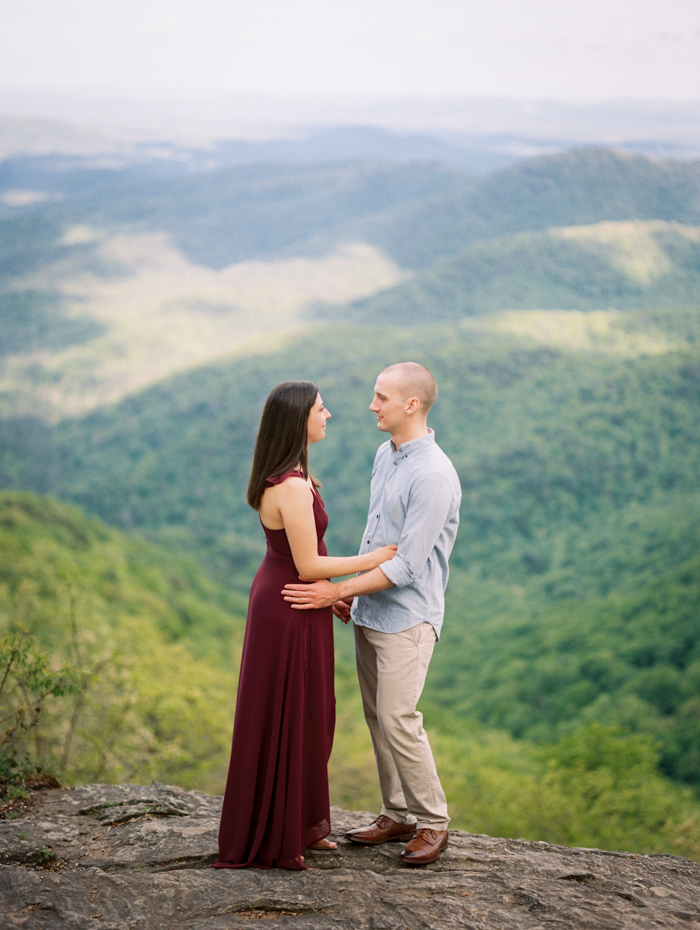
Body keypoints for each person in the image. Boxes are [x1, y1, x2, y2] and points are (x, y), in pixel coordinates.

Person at [212, 380, 396, 872]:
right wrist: (373, 561)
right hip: (291, 602)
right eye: (320, 408)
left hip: (300, 601)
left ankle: (299, 824)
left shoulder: (292, 476)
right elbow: (310, 565)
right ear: (298, 419)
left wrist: (333, 598)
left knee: (310, 713)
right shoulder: (291, 486)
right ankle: (279, 833)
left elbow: (303, 565)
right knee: (291, 713)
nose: (329, 414)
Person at [283, 362, 461, 866]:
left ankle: (433, 822)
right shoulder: (386, 454)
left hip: (409, 617)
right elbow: (376, 540)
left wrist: (333, 591)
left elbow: (405, 564)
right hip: (371, 612)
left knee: (399, 718)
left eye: (381, 397)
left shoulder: (433, 475)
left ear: (412, 405)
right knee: (377, 719)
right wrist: (351, 597)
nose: (370, 405)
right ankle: (396, 812)